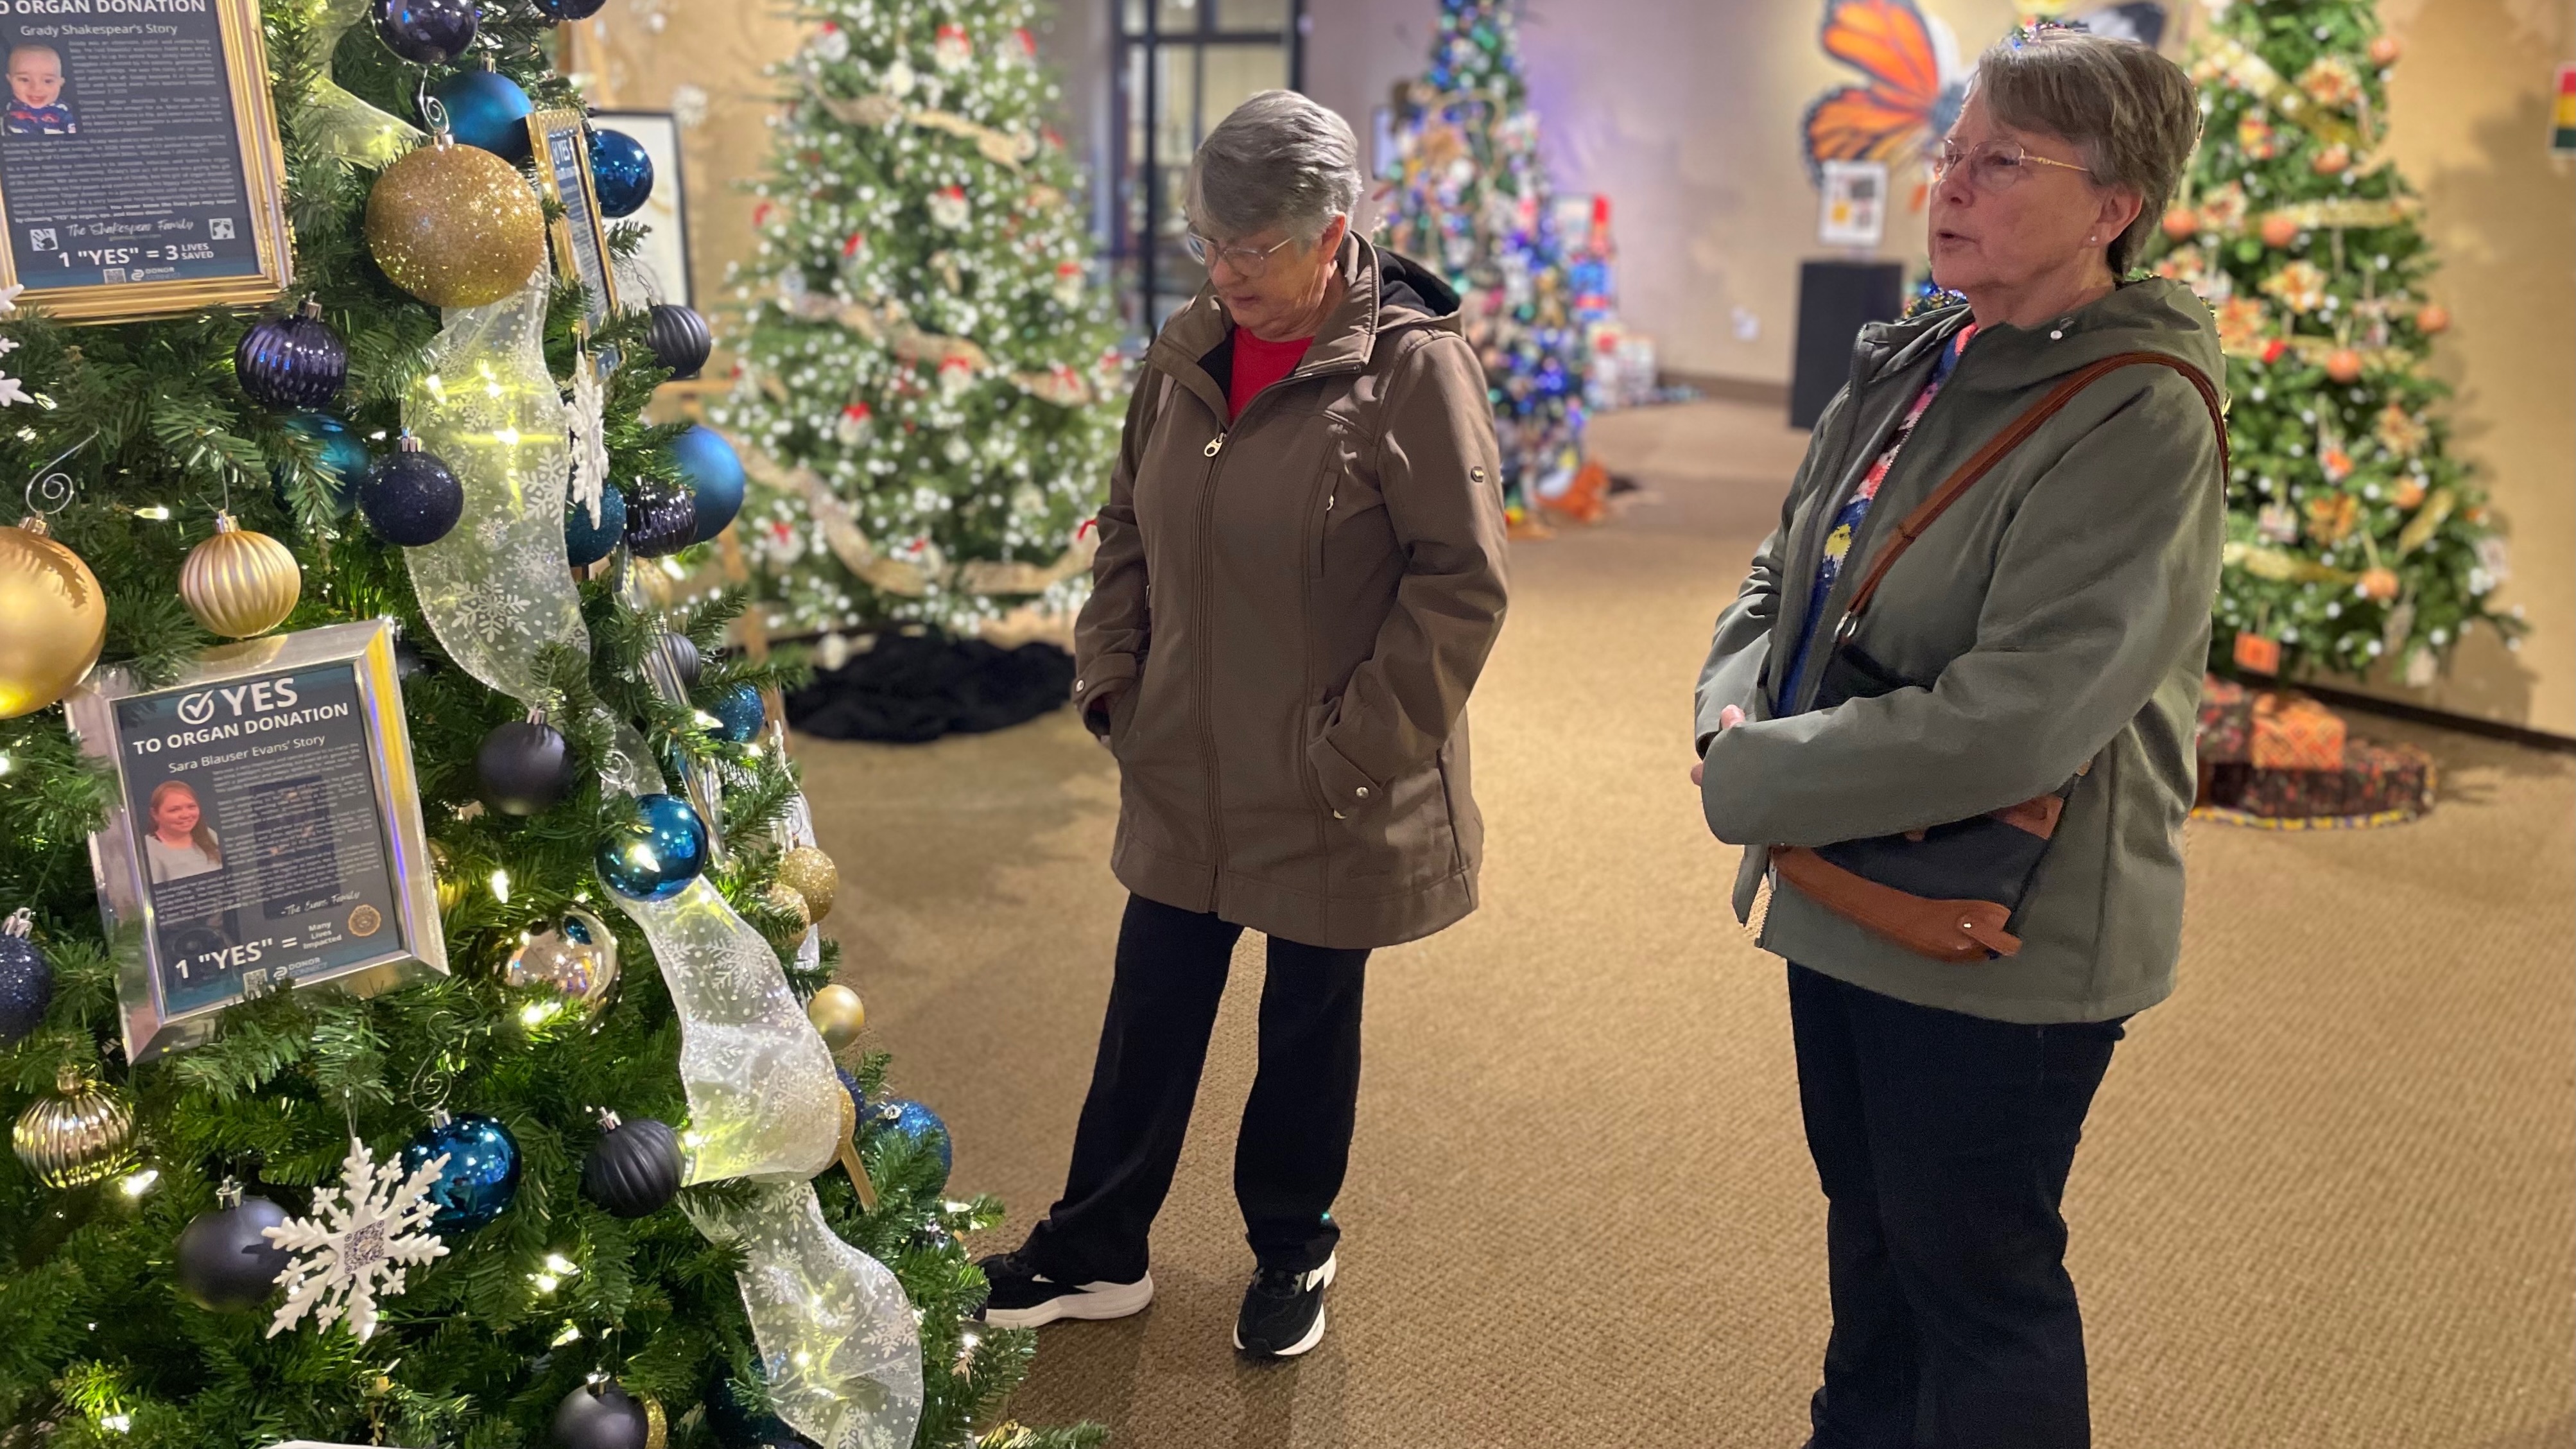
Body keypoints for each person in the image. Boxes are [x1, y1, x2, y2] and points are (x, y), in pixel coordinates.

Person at [1691, 30, 2217, 1448]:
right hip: (1841, 889)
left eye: (1999, 162)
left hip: (2000, 934)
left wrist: (1751, 775)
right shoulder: (1919, 354)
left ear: (2111, 207)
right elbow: (1776, 568)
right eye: (1949, 152)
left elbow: (2020, 716)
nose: (1950, 184)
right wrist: (1722, 707)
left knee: (1975, 1284)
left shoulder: (2135, 413)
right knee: (1867, 1246)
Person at [976, 89, 1509, 1360]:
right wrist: (1113, 677)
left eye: (1254, 250)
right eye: (1207, 246)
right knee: (1148, 1002)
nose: (1226, 275)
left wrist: (1358, 748)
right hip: (1181, 754)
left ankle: (1291, 1243)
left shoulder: (1409, 369)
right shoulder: (1187, 347)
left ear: (1332, 233)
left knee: (1305, 1019)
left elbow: (1459, 581)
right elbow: (1124, 526)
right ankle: (1096, 1246)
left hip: (1331, 771)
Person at [144, 781, 223, 883]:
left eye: (191, 807)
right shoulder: (149, 849)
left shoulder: (209, 835)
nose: (185, 815)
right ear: (155, 814)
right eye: (174, 810)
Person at [4, 44, 74, 135]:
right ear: (10, 80)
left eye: (48, 81)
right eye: (25, 80)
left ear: (61, 83)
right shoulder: (7, 107)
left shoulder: (64, 112)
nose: (37, 88)